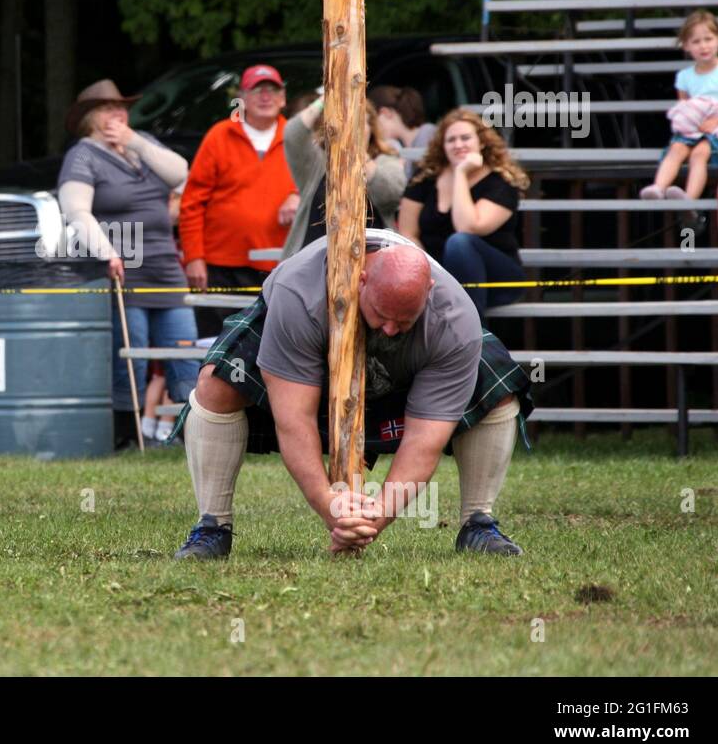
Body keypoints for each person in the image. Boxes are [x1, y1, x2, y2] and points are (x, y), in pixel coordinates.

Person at [166, 229, 532, 560]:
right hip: (305, 343)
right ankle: (212, 527)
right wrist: (328, 505)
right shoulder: (299, 294)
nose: (390, 330)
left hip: (406, 373)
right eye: (382, 314)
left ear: (430, 292)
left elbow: (425, 440)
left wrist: (372, 520)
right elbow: (295, 419)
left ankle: (478, 523)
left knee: (499, 393)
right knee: (217, 384)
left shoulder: (454, 320)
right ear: (361, 280)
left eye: (404, 321)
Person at [58, 79, 198, 446]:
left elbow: (180, 173)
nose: (117, 113)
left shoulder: (143, 143)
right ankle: (127, 437)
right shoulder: (82, 155)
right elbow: (75, 212)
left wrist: (133, 140)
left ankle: (189, 433)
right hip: (123, 268)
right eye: (107, 108)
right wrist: (107, 252)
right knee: (131, 355)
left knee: (183, 349)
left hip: (167, 268)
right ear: (89, 118)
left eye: (121, 107)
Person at [179, 64, 298, 338]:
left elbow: (321, 186)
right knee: (215, 345)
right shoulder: (219, 136)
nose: (265, 96)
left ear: (283, 98)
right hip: (220, 266)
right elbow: (192, 202)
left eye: (272, 90)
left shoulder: (298, 137)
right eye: (257, 90)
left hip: (281, 265)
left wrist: (297, 195)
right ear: (241, 98)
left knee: (272, 346)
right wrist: (194, 257)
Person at [397, 109, 530, 316]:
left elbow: (468, 226)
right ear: (443, 146)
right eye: (451, 140)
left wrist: (460, 173)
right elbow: (407, 232)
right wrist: (431, 273)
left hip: (496, 278)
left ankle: (472, 336)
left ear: (482, 142)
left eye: (466, 138)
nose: (458, 145)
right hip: (436, 278)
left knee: (460, 242)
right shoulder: (425, 178)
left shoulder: (501, 183)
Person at [282, 93, 407, 257]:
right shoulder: (317, 162)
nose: (351, 127)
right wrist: (326, 99)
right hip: (315, 262)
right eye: (345, 120)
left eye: (360, 121)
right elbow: (293, 134)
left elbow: (391, 194)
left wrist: (357, 157)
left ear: (371, 128)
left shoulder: (386, 161)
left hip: (375, 260)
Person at [643, 10, 718, 201]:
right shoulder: (684, 77)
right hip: (693, 129)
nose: (703, 46)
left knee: (700, 153)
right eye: (696, 42)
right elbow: (684, 108)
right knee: (677, 148)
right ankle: (658, 187)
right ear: (686, 46)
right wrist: (690, 125)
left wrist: (717, 121)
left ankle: (689, 198)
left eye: (708, 39)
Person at [369, 85, 437, 178]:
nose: (373, 129)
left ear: (385, 113)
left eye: (372, 121)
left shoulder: (430, 136)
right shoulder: (402, 146)